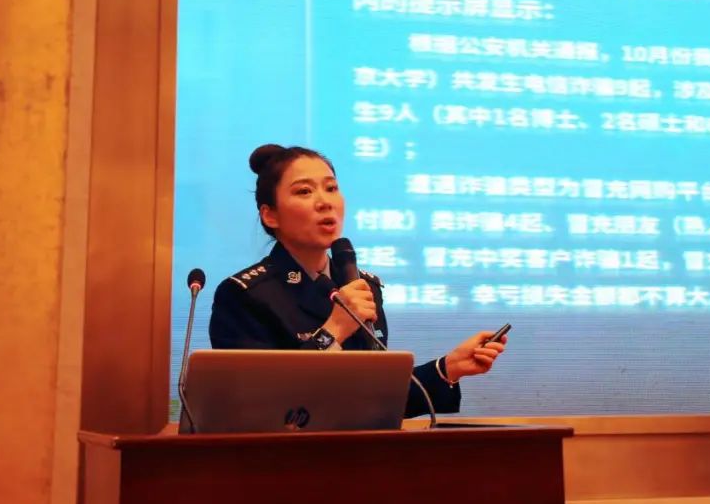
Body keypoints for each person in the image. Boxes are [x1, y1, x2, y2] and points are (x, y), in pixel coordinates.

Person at [208, 143, 507, 417]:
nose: (325, 202)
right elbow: (259, 404)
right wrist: (335, 329)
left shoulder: (362, 286)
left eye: (331, 188)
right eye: (304, 192)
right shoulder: (244, 296)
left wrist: (448, 367)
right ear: (270, 215)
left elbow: (374, 397)